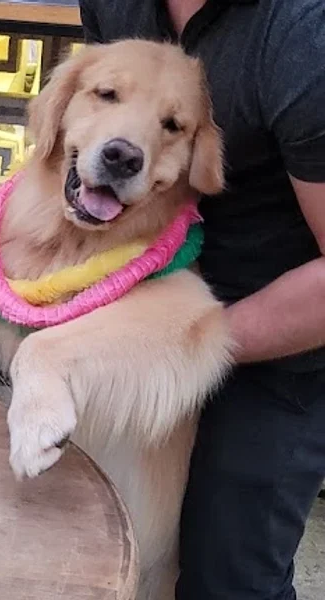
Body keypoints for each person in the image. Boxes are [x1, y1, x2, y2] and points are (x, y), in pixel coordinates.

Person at [76, 1, 325, 598]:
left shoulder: (303, 36)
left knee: (226, 579)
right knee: (92, 541)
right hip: (138, 305)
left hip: (273, 347)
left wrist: (185, 345)